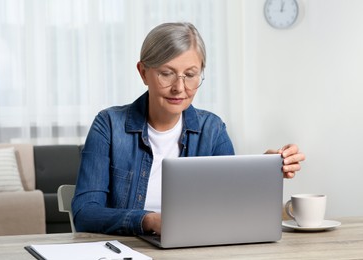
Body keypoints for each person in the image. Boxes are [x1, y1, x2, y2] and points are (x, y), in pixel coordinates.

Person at [72, 22, 305, 236]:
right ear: (143, 72)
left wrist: (263, 171)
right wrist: (149, 221)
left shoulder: (212, 129)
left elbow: (232, 205)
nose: (180, 88)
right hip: (128, 250)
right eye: (167, 74)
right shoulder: (109, 125)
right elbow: (85, 213)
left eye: (191, 75)